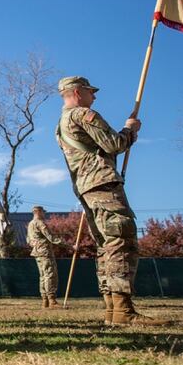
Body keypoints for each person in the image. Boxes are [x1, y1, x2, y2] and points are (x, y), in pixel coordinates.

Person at [55, 75, 164, 326]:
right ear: (78, 92)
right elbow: (114, 144)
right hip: (102, 183)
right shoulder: (82, 114)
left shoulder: (60, 124)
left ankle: (113, 311)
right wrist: (130, 130)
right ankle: (123, 311)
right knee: (120, 240)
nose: (94, 96)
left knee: (106, 245)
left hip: (85, 187)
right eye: (90, 92)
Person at [27, 206, 64, 308]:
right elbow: (51, 237)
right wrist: (70, 246)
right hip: (45, 252)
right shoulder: (40, 223)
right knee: (50, 275)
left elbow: (28, 240)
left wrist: (35, 244)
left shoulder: (30, 224)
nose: (44, 214)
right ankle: (52, 301)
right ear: (38, 212)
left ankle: (45, 301)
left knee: (43, 276)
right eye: (43, 212)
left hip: (37, 253)